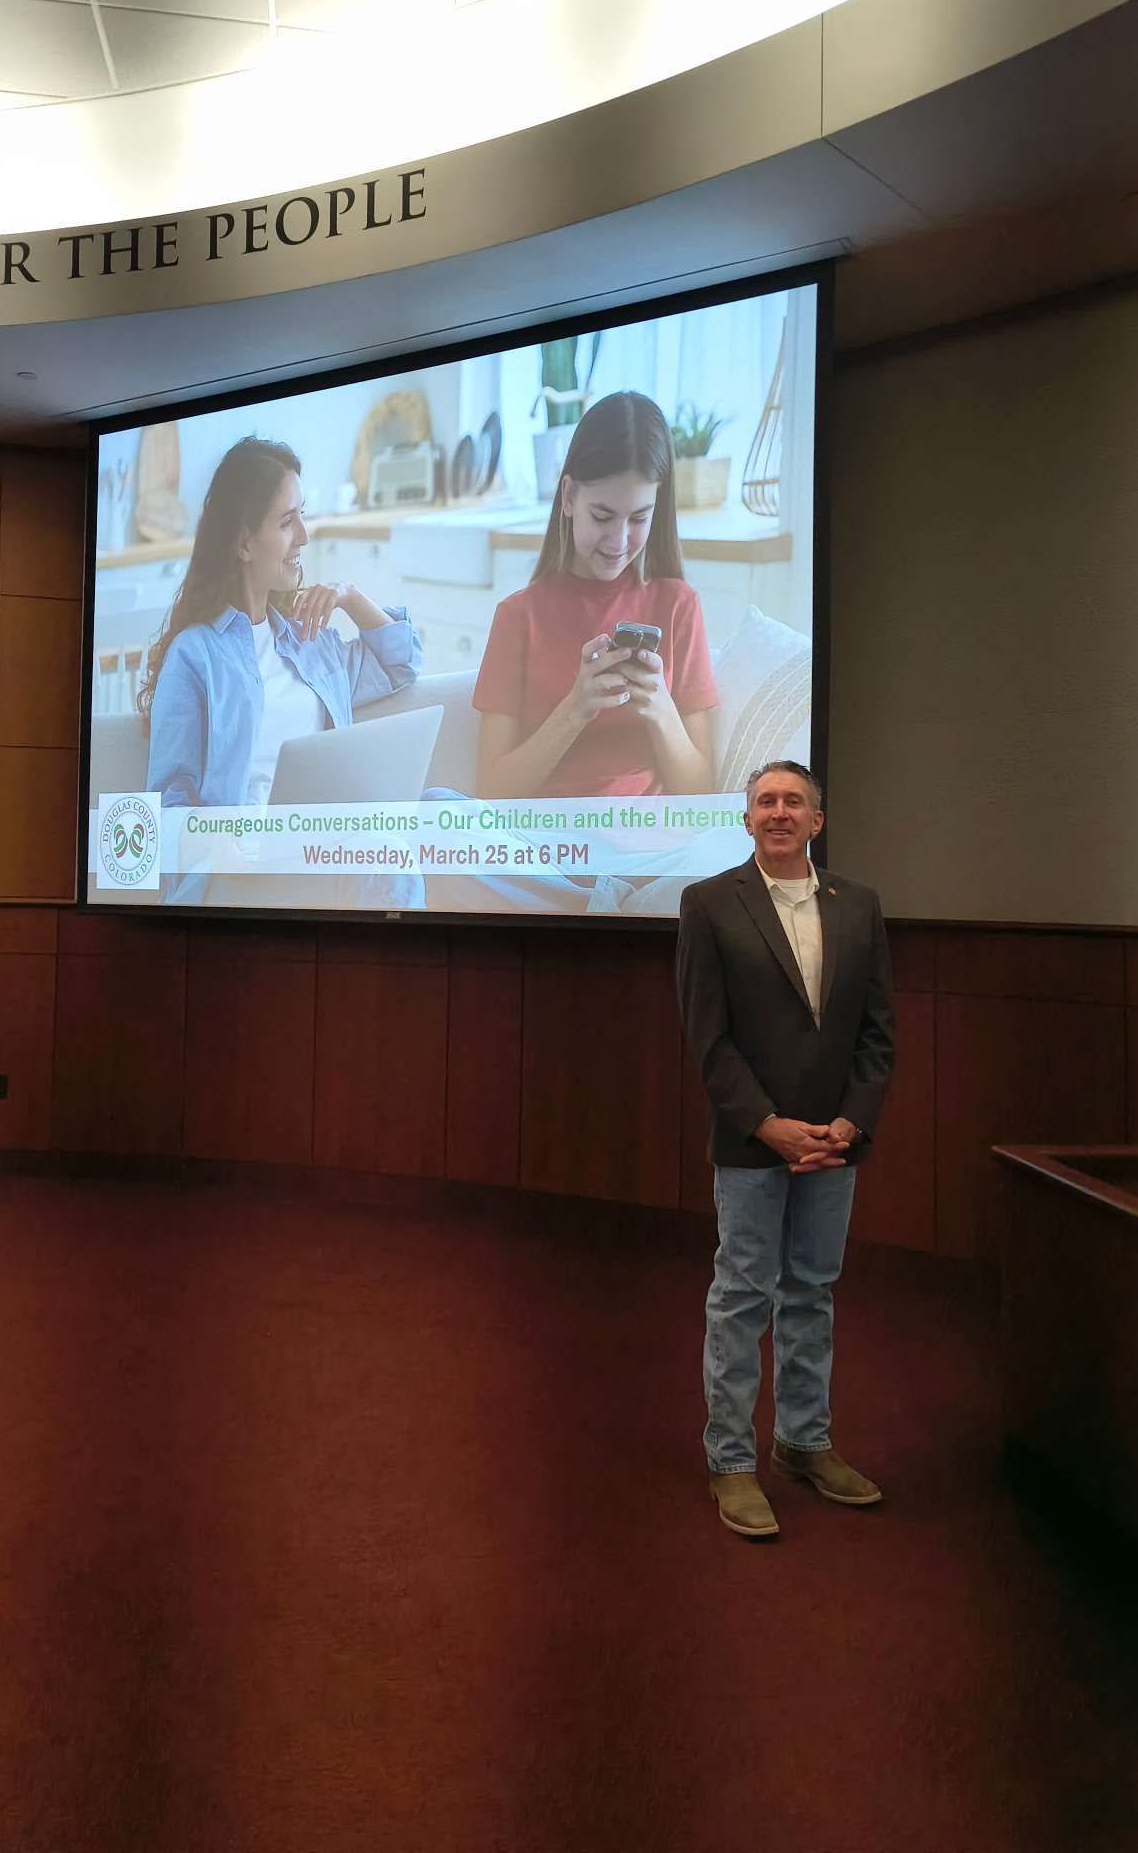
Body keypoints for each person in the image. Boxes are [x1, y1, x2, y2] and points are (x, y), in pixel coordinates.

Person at [675, 760, 895, 1540]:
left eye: (793, 802)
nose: (778, 812)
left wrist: (850, 1126)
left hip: (833, 1145)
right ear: (746, 819)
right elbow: (707, 1038)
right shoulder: (708, 904)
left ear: (816, 821)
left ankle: (804, 1443)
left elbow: (877, 1035)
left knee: (812, 1291)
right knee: (742, 1296)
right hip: (752, 1140)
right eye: (765, 801)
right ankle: (731, 1460)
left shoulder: (859, 906)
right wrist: (765, 1123)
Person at [140, 434, 421, 811]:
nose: (304, 537)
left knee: (442, 807)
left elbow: (401, 664)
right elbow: (169, 807)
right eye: (288, 522)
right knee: (387, 848)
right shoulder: (195, 656)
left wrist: (349, 595)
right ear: (244, 544)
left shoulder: (309, 642)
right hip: (245, 861)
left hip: (325, 846)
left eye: (302, 515)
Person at [471, 392, 717, 799]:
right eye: (602, 516)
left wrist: (660, 709)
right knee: (438, 809)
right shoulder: (518, 617)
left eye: (639, 517)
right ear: (568, 498)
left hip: (646, 853)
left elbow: (703, 796)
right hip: (545, 854)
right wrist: (576, 709)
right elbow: (489, 794)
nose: (619, 540)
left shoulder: (678, 606)